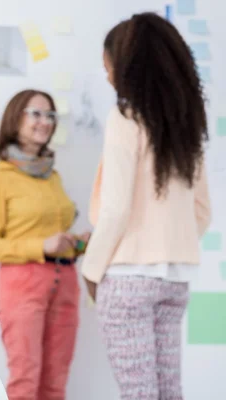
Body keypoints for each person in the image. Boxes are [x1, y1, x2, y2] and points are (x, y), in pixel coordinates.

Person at [81, 12, 211, 400]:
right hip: (176, 278)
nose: (107, 77)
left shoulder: (124, 118)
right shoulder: (185, 126)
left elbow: (116, 208)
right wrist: (168, 244)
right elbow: (201, 212)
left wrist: (92, 269)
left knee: (138, 393)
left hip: (126, 279)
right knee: (169, 391)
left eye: (109, 67)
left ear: (128, 66)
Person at [0, 89, 90, 400]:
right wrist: (42, 245)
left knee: (56, 384)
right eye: (36, 113)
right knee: (25, 381)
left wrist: (78, 243)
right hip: (23, 285)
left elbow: (55, 235)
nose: (45, 122)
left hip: (65, 282)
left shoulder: (52, 176)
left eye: (50, 115)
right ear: (16, 118)